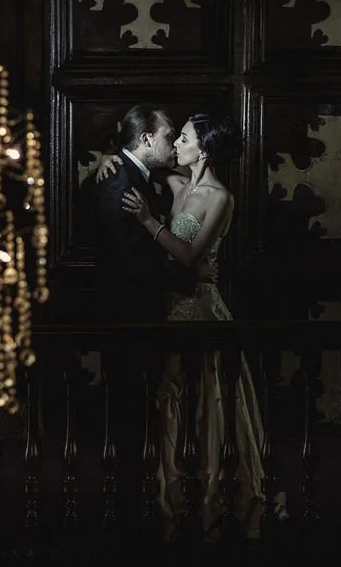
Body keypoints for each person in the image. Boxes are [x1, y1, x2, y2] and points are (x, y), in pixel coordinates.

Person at [96, 110, 284, 542]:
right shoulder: (175, 184)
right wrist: (108, 156)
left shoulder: (220, 197)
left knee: (210, 405)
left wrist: (149, 221)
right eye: (175, 136)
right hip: (168, 306)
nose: (175, 145)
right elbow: (135, 158)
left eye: (183, 138)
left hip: (200, 307)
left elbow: (189, 256)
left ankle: (215, 504)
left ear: (204, 148)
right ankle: (171, 507)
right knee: (172, 406)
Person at [87, 103, 212, 322]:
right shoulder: (120, 183)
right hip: (128, 312)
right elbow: (132, 259)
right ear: (146, 139)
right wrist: (191, 276)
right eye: (169, 136)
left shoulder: (139, 173)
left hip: (140, 305)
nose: (174, 143)